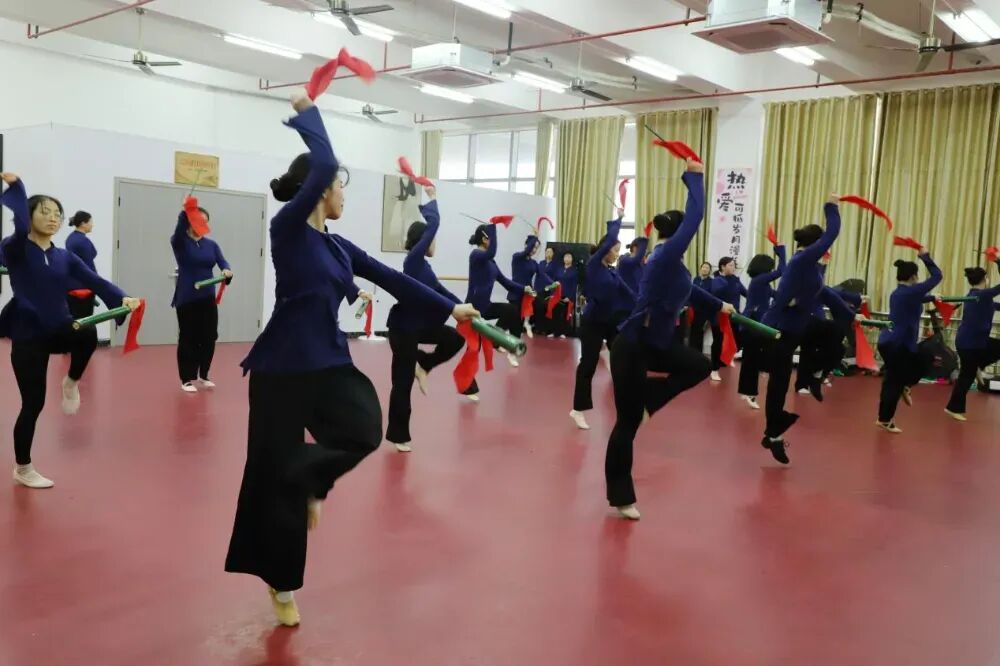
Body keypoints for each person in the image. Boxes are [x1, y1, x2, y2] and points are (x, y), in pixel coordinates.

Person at [225, 92, 478, 627]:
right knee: (269, 474)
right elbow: (322, 163)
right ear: (321, 190)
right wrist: (308, 114)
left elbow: (393, 279)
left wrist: (452, 307)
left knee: (364, 428)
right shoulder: (288, 230)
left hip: (328, 361)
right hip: (280, 369)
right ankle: (281, 581)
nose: (342, 193)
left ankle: (309, 481)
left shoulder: (339, 247)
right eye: (339, 185)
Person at [604, 159, 734, 520]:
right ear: (678, 234)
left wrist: (720, 304)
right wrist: (695, 176)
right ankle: (620, 495)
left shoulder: (672, 265)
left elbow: (690, 290)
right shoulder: (664, 256)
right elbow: (696, 215)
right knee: (626, 424)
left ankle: (650, 399)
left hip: (655, 345)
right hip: (632, 346)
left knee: (699, 365)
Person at [0, 173, 140, 489]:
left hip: (59, 326)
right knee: (32, 404)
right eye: (44, 212)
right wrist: (18, 187)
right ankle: (23, 468)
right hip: (28, 333)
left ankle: (71, 381)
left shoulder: (65, 257)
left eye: (57, 214)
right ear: (28, 215)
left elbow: (96, 280)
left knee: (87, 333)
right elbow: (19, 227)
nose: (53, 218)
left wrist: (123, 297)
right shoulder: (15, 249)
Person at [385, 185, 480, 453]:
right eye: (432, 239)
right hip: (402, 329)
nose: (435, 243)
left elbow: (440, 292)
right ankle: (399, 435)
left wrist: (466, 308)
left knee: (455, 338)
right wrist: (433, 198)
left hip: (419, 327)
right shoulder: (413, 261)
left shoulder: (424, 267)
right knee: (402, 384)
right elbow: (433, 224)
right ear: (422, 241)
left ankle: (424, 364)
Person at [758, 194, 841, 464]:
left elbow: (821, 291)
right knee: (779, 386)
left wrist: (850, 313)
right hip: (780, 330)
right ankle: (773, 436)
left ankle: (813, 376)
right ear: (815, 244)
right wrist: (831, 206)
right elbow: (832, 233)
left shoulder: (808, 264)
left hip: (797, 326)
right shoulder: (803, 259)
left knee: (833, 335)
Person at [569, 213, 635, 430]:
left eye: (618, 250)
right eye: (615, 250)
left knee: (623, 355)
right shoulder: (594, 265)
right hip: (592, 323)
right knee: (588, 365)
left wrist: (644, 306)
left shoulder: (612, 272)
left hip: (610, 322)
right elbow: (610, 239)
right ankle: (577, 409)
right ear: (605, 249)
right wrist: (619, 219)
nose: (617, 254)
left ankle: (627, 404)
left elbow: (628, 293)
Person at [875, 252, 942, 433]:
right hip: (899, 344)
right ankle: (903, 390)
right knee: (922, 361)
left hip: (889, 342)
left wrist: (932, 298)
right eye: (917, 277)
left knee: (892, 379)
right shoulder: (911, 292)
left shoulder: (899, 292)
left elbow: (918, 298)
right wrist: (925, 257)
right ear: (913, 277)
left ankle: (885, 417)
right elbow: (937, 276)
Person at [171, 205, 233, 392]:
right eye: (199, 220)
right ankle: (186, 379)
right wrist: (186, 210)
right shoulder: (180, 242)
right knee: (188, 337)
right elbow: (179, 228)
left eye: (206, 221)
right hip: (187, 298)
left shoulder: (212, 245)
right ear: (191, 221)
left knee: (209, 336)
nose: (203, 224)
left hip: (207, 298)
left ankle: (203, 374)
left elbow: (223, 262)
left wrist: (226, 270)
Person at [466, 223, 530, 367]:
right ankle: (468, 376)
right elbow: (491, 252)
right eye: (490, 237)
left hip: (486, 307)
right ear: (484, 239)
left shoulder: (491, 262)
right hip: (472, 307)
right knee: (473, 350)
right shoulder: (476, 255)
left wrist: (524, 288)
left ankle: (506, 345)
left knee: (512, 310)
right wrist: (493, 228)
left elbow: (506, 282)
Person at [945, 261, 1000, 421]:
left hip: (977, 342)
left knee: (995, 348)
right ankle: (953, 408)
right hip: (969, 344)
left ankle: (978, 365)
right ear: (985, 279)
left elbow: (995, 305)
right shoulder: (981, 295)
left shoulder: (979, 297)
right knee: (966, 378)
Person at [737, 244, 786, 409]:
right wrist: (782, 252)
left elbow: (776, 295)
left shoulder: (762, 284)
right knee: (751, 360)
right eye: (770, 267)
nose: (771, 270)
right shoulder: (759, 280)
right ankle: (748, 392)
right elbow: (781, 271)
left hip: (758, 325)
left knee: (754, 359)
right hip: (753, 325)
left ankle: (749, 389)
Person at [65, 211, 100, 383]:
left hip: (72, 287)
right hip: (83, 288)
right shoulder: (82, 242)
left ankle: (72, 347)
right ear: (84, 223)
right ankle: (80, 350)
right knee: (84, 322)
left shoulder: (71, 239)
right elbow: (88, 266)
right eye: (91, 221)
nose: (92, 224)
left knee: (75, 319)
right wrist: (97, 284)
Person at [709, 256, 746, 381]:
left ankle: (727, 358)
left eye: (734, 265)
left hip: (734, 316)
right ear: (723, 267)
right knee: (718, 342)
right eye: (730, 265)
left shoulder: (735, 280)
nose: (733, 267)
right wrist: (729, 282)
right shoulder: (716, 280)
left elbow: (745, 292)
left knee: (738, 338)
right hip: (719, 317)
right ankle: (714, 370)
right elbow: (716, 293)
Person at [509, 235, 540, 338]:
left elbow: (542, 275)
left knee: (521, 324)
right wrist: (535, 237)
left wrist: (555, 283)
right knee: (513, 321)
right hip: (515, 294)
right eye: (533, 246)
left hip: (527, 295)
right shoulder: (517, 257)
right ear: (526, 245)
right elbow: (526, 251)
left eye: (536, 248)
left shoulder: (533, 263)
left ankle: (516, 343)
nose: (534, 250)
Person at [551, 251, 578, 338]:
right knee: (556, 313)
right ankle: (555, 332)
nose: (567, 258)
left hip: (567, 296)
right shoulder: (559, 269)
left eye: (569, 257)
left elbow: (574, 286)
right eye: (565, 257)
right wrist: (552, 293)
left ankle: (564, 332)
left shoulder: (574, 271)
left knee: (566, 315)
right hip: (557, 295)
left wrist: (569, 297)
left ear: (572, 259)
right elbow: (554, 282)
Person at [689, 261, 713, 353]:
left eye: (707, 268)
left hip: (704, 311)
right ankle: (691, 351)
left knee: (700, 332)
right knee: (692, 331)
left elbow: (710, 297)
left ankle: (698, 353)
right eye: (703, 267)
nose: (705, 269)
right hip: (693, 309)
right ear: (700, 269)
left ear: (709, 270)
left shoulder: (711, 282)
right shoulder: (696, 279)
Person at [533, 246, 557, 336]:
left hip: (548, 290)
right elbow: (537, 277)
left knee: (546, 309)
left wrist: (553, 291)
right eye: (547, 251)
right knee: (538, 308)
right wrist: (535, 289)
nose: (548, 253)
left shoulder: (555, 265)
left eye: (550, 252)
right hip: (539, 289)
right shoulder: (541, 263)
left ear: (553, 254)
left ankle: (544, 329)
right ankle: (537, 327)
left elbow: (555, 279)